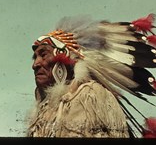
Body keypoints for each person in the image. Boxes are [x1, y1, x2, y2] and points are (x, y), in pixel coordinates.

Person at [26, 14, 156, 138]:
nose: (35, 64)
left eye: (43, 55)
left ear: (63, 58)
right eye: (35, 57)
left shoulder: (90, 95)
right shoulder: (43, 109)